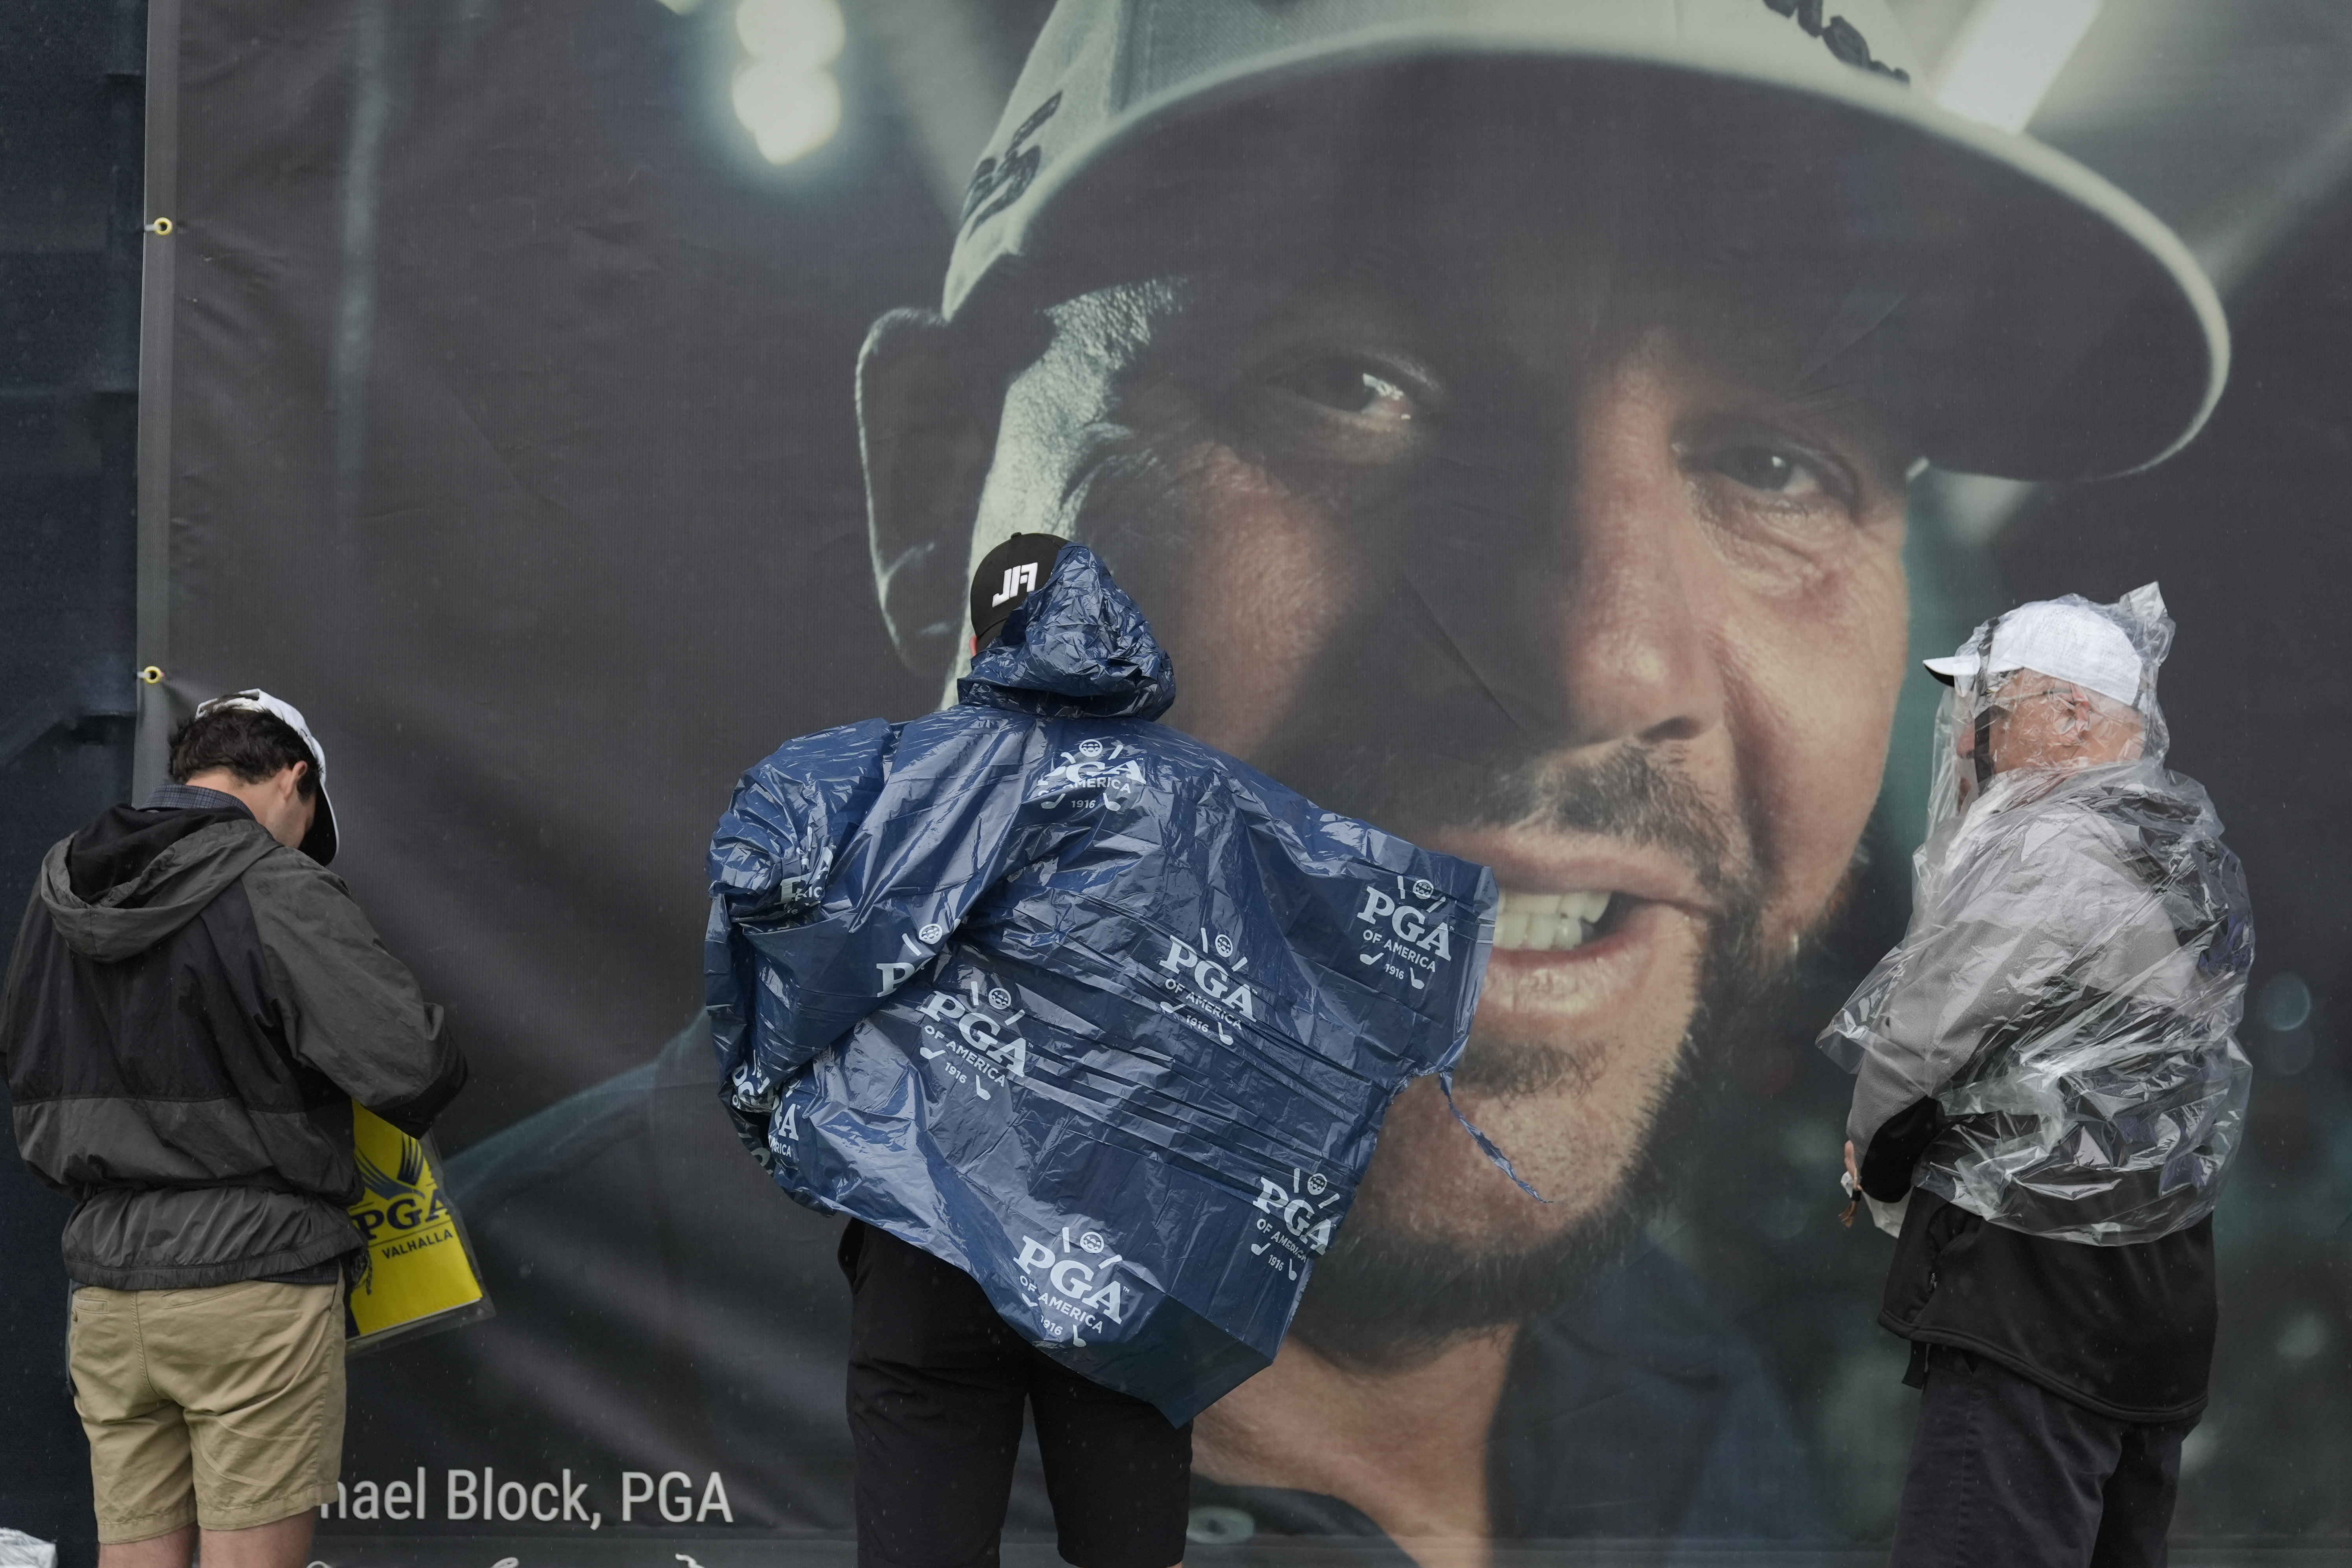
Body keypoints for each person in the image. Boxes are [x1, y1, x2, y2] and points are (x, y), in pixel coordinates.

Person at [343, 0, 2234, 1553]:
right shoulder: (481, 1422)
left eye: (1770, 461)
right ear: (936, 490)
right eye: (1345, 379)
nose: (1595, 655)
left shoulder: (1665, 1409)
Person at [709, 534, 1497, 1568]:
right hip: (1126, 1248)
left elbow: (776, 898)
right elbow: (1357, 961)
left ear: (985, 636)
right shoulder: (1216, 804)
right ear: (1118, 624)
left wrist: (774, 1098)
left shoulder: (897, 773)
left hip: (923, 1228)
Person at [1821, 589, 2252, 1567]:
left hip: (2028, 1314)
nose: (1965, 737)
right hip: (2152, 1320)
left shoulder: (2047, 845)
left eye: (1987, 705)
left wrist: (1869, 1156)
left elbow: (1918, 1042)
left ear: (2067, 715)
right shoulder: (2181, 852)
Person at [0, 692, 467, 1568]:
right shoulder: (275, 882)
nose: (298, 841)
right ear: (294, 777)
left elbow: (32, 1081)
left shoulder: (59, 884)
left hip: (106, 1294)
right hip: (250, 1288)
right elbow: (413, 1065)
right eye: (307, 821)